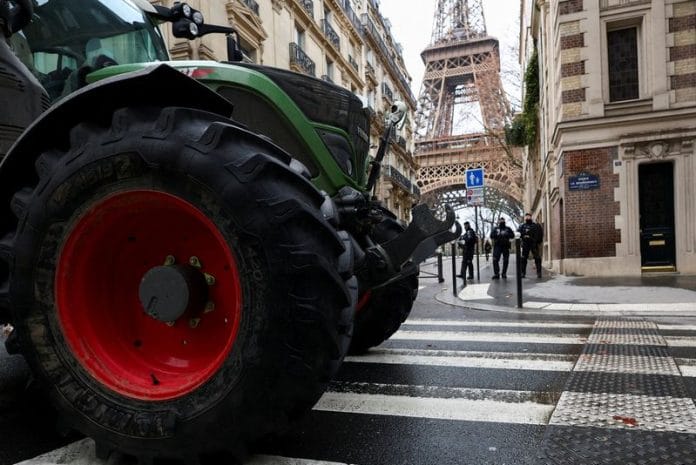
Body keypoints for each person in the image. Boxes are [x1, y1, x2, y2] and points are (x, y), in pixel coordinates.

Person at [518, 212, 544, 278]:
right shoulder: (522, 226)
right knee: (523, 259)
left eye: (528, 216)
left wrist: (538, 242)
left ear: (531, 217)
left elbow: (540, 234)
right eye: (526, 216)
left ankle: (539, 273)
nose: (527, 217)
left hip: (533, 244)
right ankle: (523, 273)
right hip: (525, 244)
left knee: (537, 258)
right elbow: (518, 234)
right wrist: (523, 236)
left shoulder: (535, 225)